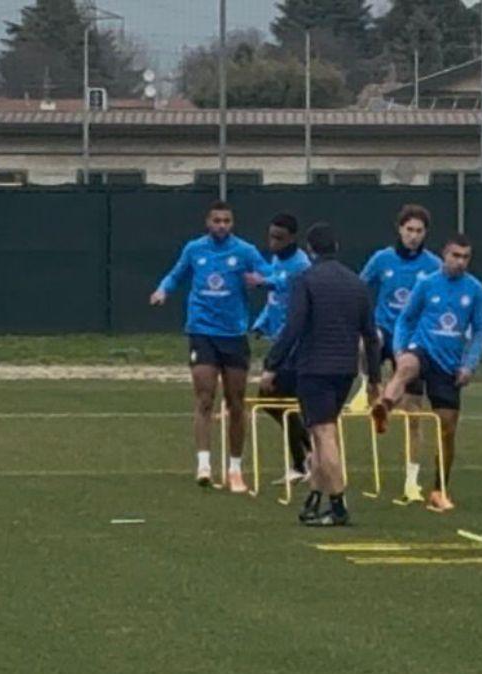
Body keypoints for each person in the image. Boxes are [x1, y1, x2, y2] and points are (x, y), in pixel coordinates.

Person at [263, 223, 381, 526]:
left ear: (311, 250)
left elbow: (294, 327)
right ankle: (314, 497)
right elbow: (370, 336)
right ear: (336, 247)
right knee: (319, 433)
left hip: (314, 368)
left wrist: (272, 364)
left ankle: (338, 504)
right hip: (345, 370)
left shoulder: (307, 280)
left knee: (324, 434)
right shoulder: (357, 284)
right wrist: (375, 380)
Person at [149, 201, 271, 493]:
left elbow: (271, 276)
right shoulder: (194, 249)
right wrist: (162, 290)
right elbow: (176, 274)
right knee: (205, 397)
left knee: (236, 402)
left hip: (233, 333)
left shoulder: (244, 251)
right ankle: (204, 464)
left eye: (227, 221)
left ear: (233, 223)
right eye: (217, 220)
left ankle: (235, 468)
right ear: (208, 222)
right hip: (202, 331)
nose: (221, 226)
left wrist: (262, 281)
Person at [371, 234, 482, 513]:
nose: (460, 262)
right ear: (444, 255)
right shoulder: (426, 284)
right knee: (408, 366)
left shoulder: (475, 290)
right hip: (422, 349)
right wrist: (400, 349)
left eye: (465, 257)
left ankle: (439, 490)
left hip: (450, 365)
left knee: (447, 429)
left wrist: (470, 364)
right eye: (455, 256)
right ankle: (385, 405)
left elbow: (481, 329)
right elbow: (406, 319)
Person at [360, 204, 443, 502]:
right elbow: (360, 288)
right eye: (409, 230)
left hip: (411, 342)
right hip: (383, 331)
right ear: (400, 230)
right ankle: (366, 388)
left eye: (419, 231)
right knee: (365, 342)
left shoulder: (433, 265)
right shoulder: (382, 259)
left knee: (414, 413)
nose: (413, 236)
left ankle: (412, 480)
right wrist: (362, 321)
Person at [251, 213, 313, 482]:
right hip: (278, 341)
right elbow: (274, 299)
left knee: (272, 398)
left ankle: (309, 455)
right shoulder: (277, 260)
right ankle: (303, 461)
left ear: (292, 238)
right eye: (271, 236)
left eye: (279, 238)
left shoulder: (301, 264)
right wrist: (261, 323)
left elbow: (283, 283)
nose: (273, 242)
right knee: (275, 402)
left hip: (295, 344)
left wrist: (262, 281)